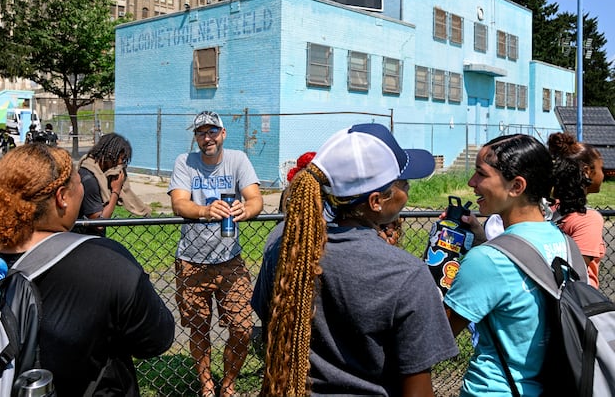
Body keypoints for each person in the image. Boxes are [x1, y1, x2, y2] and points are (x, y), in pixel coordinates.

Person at [253, 123, 457, 397]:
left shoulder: (284, 242)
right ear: (376, 201)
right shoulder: (406, 273)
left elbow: (268, 322)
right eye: (403, 183)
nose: (407, 190)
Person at [0, 143, 174, 396]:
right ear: (62, 197)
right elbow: (156, 340)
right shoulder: (107, 262)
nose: (82, 187)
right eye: (78, 181)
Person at [443, 134, 580, 396]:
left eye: (481, 174)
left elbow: (438, 334)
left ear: (516, 186)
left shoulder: (489, 260)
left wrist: (434, 267)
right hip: (557, 386)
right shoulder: (567, 246)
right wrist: (479, 236)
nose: (472, 183)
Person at [168, 111, 263, 397]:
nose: (207, 138)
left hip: (229, 260)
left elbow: (256, 198)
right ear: (196, 137)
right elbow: (179, 204)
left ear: (223, 134)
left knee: (242, 327)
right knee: (198, 328)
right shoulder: (185, 162)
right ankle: (207, 384)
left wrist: (247, 210)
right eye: (201, 133)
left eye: (212, 132)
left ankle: (229, 383)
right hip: (191, 260)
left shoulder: (237, 160)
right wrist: (205, 211)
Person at [547, 131, 606, 288]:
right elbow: (574, 273)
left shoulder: (545, 209)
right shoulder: (588, 219)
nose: (603, 174)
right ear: (587, 171)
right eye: (601, 168)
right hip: (576, 306)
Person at [75, 132, 151, 235]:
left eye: (123, 160)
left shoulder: (100, 176)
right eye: (118, 159)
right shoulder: (89, 180)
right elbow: (99, 224)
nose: (120, 164)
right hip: (85, 239)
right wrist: (116, 191)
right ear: (107, 155)